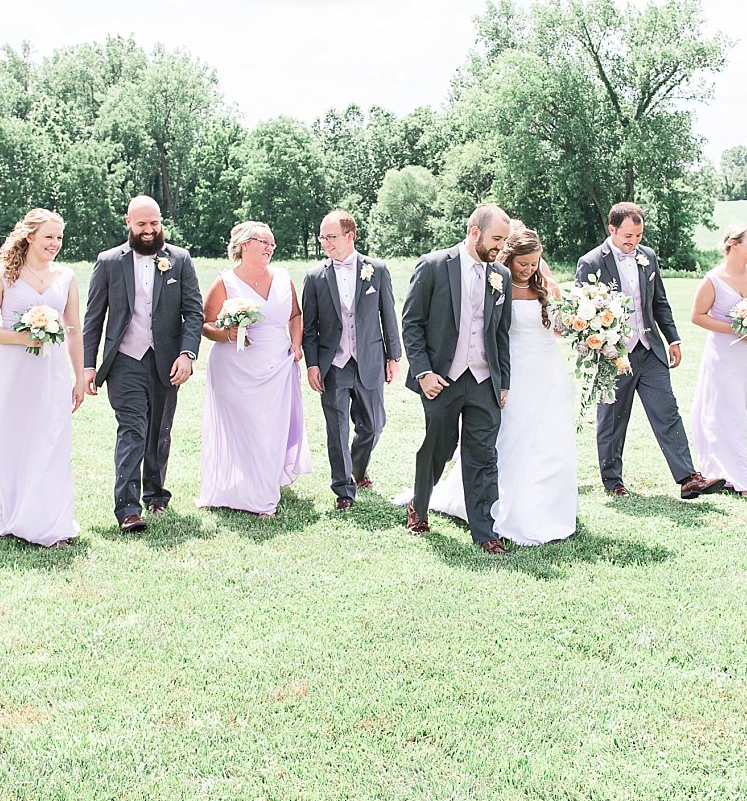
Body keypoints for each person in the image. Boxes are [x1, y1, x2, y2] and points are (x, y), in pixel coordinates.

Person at [422, 224, 577, 544]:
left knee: (550, 441)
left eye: (535, 263)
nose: (529, 269)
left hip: (548, 372)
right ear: (511, 258)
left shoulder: (547, 287)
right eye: (523, 264)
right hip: (513, 371)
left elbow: (559, 329)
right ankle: (495, 504)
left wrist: (586, 323)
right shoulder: (497, 283)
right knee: (509, 438)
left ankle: (546, 508)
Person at [0, 208, 89, 546]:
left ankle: (50, 522)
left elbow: (72, 330)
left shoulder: (67, 277)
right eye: (48, 237)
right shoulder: (3, 276)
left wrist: (79, 376)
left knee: (52, 441)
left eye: (58, 237)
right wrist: (24, 337)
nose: (54, 244)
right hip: (11, 373)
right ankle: (11, 513)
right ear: (30, 237)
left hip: (51, 374)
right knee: (12, 440)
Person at [573, 203, 729, 500]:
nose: (633, 242)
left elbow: (659, 302)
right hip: (612, 354)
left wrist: (673, 339)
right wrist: (607, 349)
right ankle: (613, 480)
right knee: (613, 418)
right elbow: (584, 314)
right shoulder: (591, 262)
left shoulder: (649, 258)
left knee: (667, 411)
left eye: (639, 236)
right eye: (628, 236)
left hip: (649, 350)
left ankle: (687, 478)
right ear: (612, 229)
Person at [82, 196, 204, 531]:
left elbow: (194, 312)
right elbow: (93, 318)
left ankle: (156, 495)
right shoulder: (108, 262)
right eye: (141, 225)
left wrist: (187, 354)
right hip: (124, 361)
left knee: (159, 432)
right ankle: (128, 510)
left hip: (166, 361)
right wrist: (88, 365)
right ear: (128, 223)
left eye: (154, 223)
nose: (149, 231)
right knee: (133, 429)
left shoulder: (180, 260)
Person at [400, 204, 516, 554]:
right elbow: (412, 324)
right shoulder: (434, 265)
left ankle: (485, 532)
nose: (500, 247)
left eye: (504, 241)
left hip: (484, 381)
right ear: (474, 232)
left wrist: (504, 381)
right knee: (438, 449)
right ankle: (419, 506)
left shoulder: (501, 276)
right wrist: (423, 372)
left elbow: (501, 334)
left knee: (483, 456)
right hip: (441, 379)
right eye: (496, 239)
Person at [197, 221, 312, 515]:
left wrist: (296, 344)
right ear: (244, 245)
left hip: (277, 366)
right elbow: (205, 325)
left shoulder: (284, 278)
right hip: (235, 369)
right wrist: (228, 334)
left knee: (271, 428)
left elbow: (296, 314)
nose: (270, 248)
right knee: (246, 428)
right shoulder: (225, 282)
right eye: (264, 242)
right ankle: (252, 491)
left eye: (272, 244)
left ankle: (265, 485)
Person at [301, 211, 401, 510]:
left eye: (331, 237)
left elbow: (388, 316)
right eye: (322, 237)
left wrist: (394, 356)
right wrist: (313, 364)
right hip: (334, 363)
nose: (325, 243)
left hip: (369, 357)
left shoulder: (377, 270)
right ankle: (344, 490)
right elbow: (309, 328)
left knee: (373, 425)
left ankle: (358, 469)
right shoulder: (315, 276)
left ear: (350, 236)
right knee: (337, 428)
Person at [687, 223, 747, 498]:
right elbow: (697, 316)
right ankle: (743, 480)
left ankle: (719, 470)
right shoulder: (713, 279)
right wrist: (735, 328)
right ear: (733, 244)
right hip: (722, 357)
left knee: (731, 414)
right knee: (731, 415)